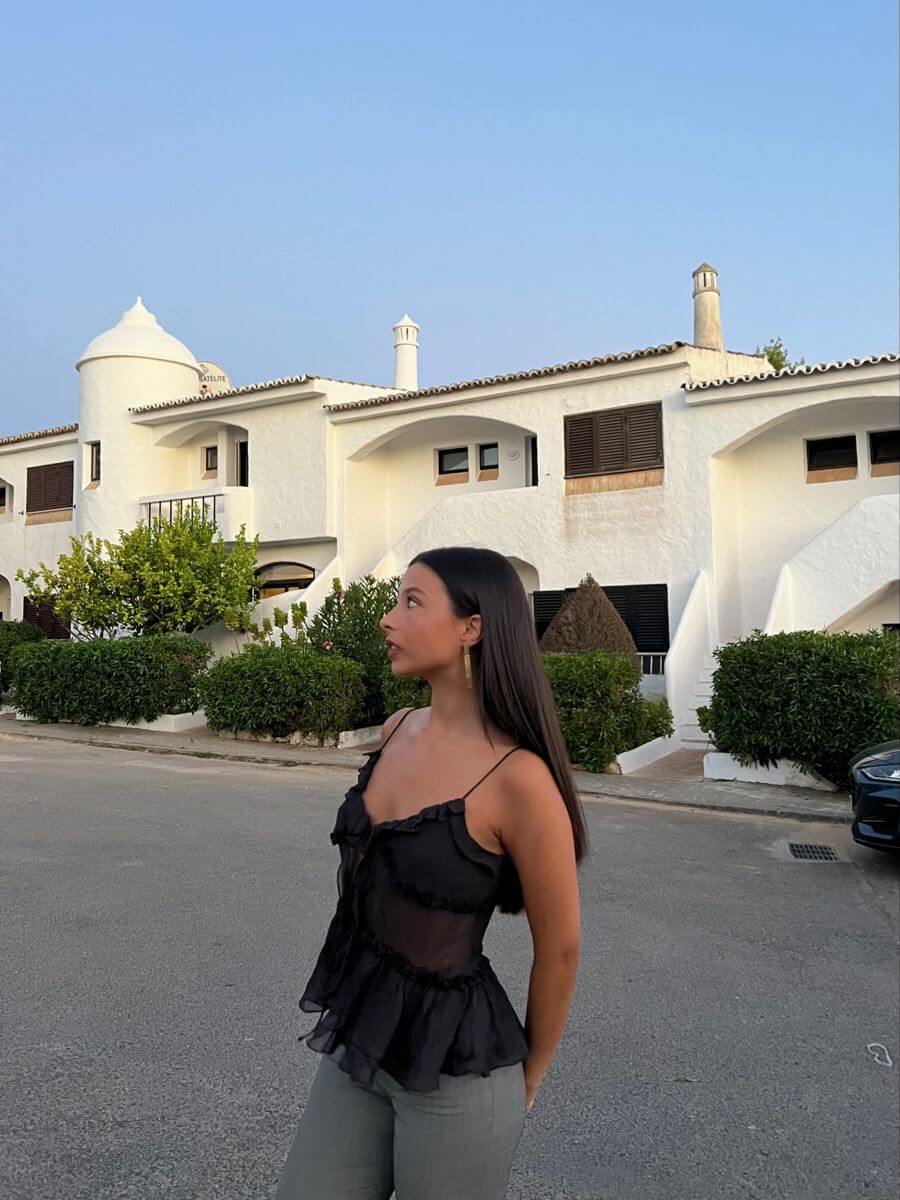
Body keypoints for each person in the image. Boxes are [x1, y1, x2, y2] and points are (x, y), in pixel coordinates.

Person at [274, 546, 587, 1199]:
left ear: (472, 627)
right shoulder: (397, 730)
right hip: (363, 1037)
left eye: (411, 602)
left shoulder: (519, 779)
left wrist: (531, 1074)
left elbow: (559, 948)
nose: (388, 619)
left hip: (459, 1070)